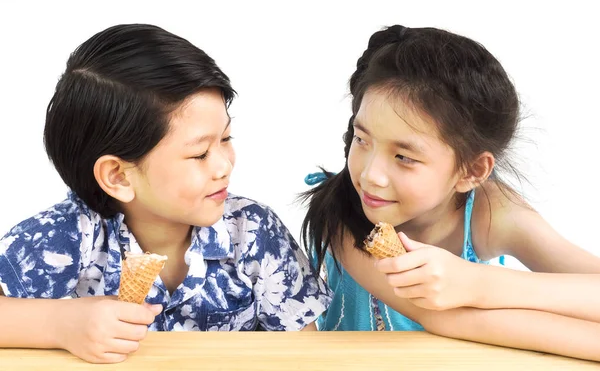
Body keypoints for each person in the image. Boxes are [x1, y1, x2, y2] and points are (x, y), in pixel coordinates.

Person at [0, 24, 331, 364]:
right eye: (199, 154)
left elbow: (304, 353)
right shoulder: (64, 236)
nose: (223, 166)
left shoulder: (253, 230)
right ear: (118, 176)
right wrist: (59, 324)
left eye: (226, 139)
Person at [300, 24, 600, 361]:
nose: (371, 175)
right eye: (361, 139)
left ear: (472, 171)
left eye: (404, 157)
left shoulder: (493, 213)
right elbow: (439, 316)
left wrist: (474, 282)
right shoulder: (343, 213)